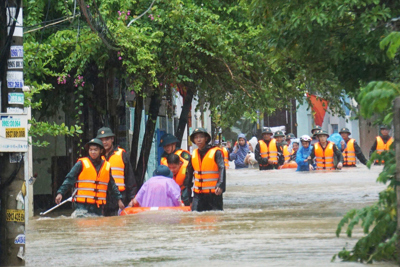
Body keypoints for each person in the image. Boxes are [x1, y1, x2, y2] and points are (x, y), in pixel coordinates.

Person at [55, 138, 124, 216]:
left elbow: (112, 185)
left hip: (98, 207)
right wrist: (60, 193)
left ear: (101, 151)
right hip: (82, 205)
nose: (93, 152)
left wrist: (119, 199)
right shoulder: (81, 163)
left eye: (95, 150)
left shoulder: (106, 166)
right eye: (90, 150)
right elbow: (69, 179)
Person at [96, 127, 137, 216]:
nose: (104, 142)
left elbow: (130, 178)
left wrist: (132, 198)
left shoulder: (122, 154)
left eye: (107, 139)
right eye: (101, 140)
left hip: (120, 196)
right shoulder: (96, 157)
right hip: (102, 197)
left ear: (112, 139)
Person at [184, 128, 226, 211]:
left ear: (206, 138)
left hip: (214, 194)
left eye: (201, 137)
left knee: (215, 219)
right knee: (195, 218)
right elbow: (188, 176)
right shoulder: (193, 155)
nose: (198, 140)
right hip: (198, 195)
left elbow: (222, 167)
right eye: (196, 138)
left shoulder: (216, 152)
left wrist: (220, 184)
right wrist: (189, 198)